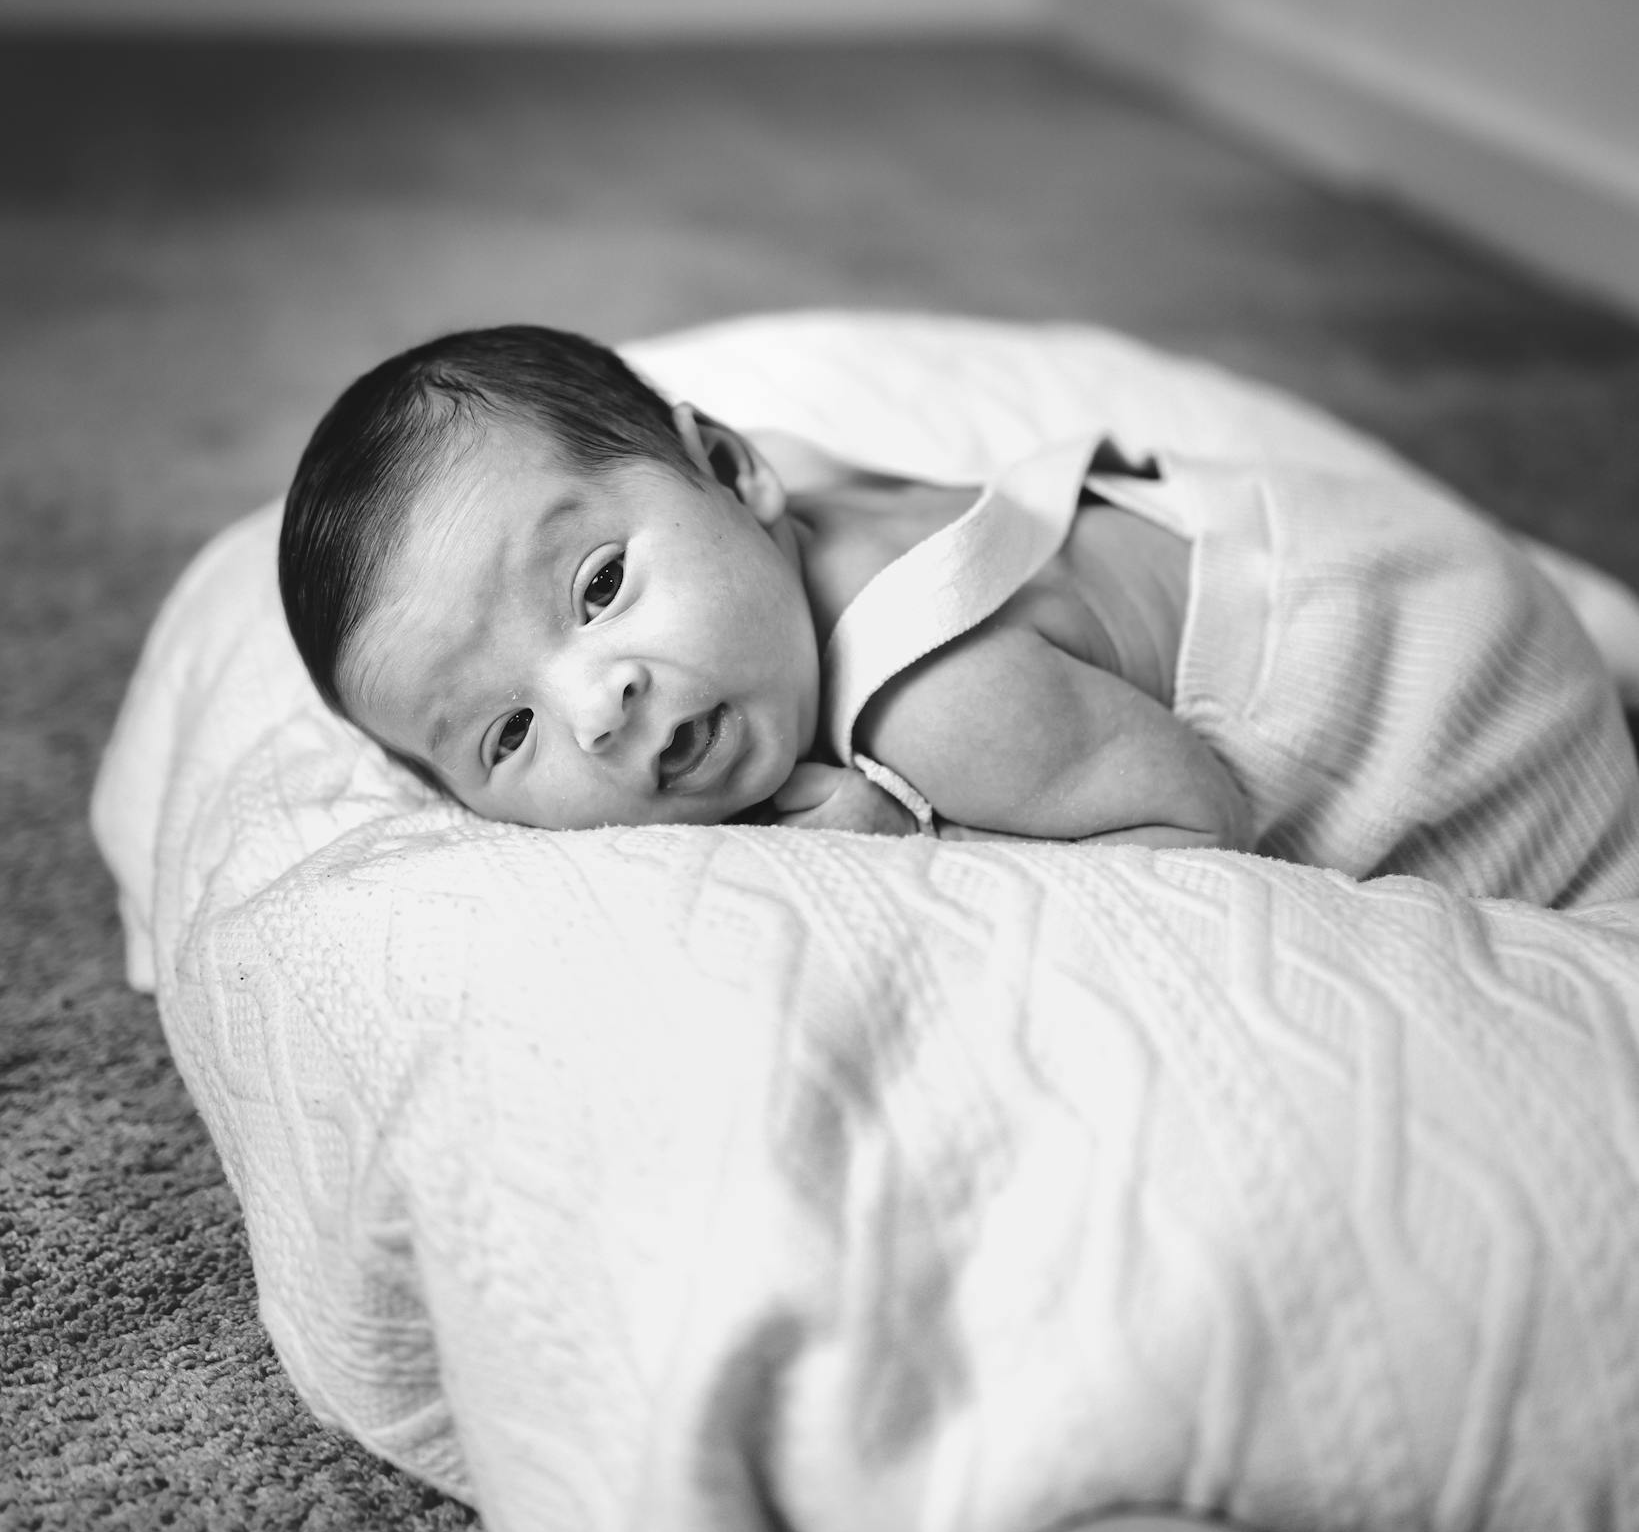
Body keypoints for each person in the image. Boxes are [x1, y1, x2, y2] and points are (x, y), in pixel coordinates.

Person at [278, 324, 1639, 908]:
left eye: (596, 587)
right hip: (1373, 542)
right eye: (507, 734)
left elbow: (1197, 834)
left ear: (734, 470)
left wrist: (916, 851)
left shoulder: (933, 698)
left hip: (1451, 686)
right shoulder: (767, 517)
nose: (597, 704)